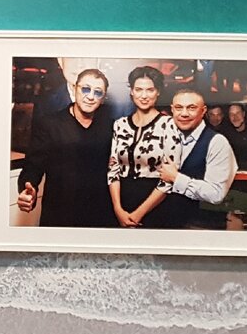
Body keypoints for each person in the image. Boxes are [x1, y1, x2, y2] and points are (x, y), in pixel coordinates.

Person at [16, 68, 114, 226]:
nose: (90, 96)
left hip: (99, 215)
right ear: (75, 89)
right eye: (86, 89)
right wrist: (28, 189)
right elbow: (32, 167)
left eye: (97, 92)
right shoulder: (50, 124)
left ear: (103, 98)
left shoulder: (110, 126)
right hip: (60, 214)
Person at [106, 65, 181, 228]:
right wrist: (118, 209)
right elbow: (113, 170)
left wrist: (138, 214)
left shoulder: (169, 125)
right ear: (132, 91)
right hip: (122, 202)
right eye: (138, 89)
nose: (144, 96)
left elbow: (169, 179)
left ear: (158, 92)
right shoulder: (120, 124)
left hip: (155, 204)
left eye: (150, 90)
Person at [155, 88, 238, 229]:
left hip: (200, 226)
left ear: (203, 111)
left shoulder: (217, 142)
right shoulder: (161, 137)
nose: (184, 113)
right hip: (162, 222)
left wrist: (176, 178)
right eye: (179, 108)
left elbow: (216, 194)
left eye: (191, 108)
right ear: (172, 110)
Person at [223, 102, 247, 168]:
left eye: (238, 113)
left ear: (243, 114)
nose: (235, 117)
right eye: (231, 114)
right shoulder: (225, 132)